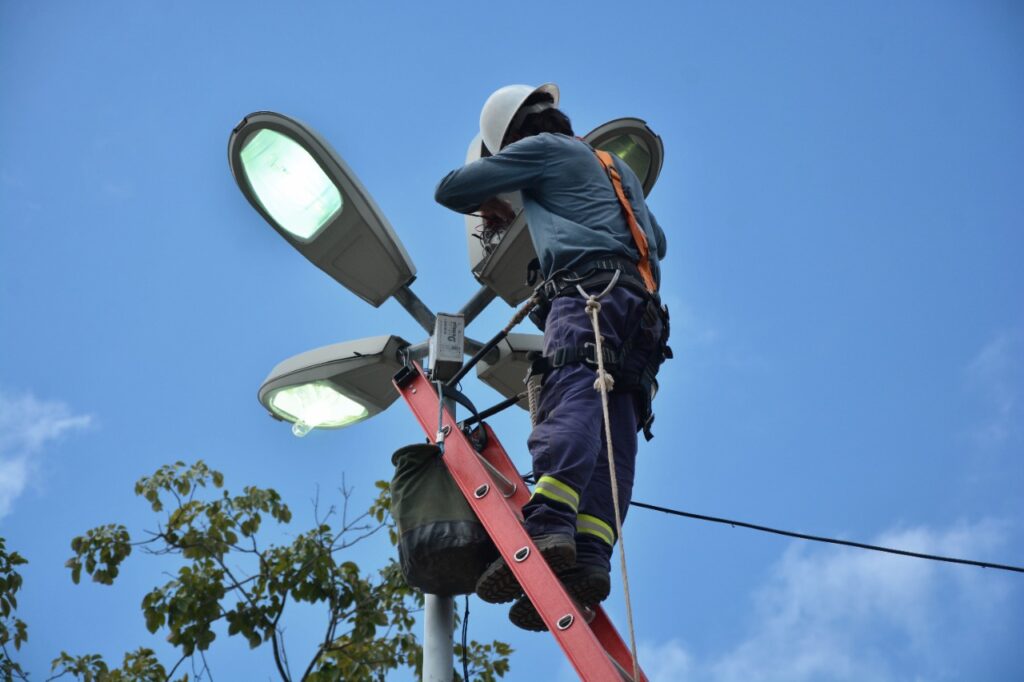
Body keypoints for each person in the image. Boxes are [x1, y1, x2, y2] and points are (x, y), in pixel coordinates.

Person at [434, 83, 669, 631]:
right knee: (615, 430)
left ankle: (549, 521)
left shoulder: (540, 152)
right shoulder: (616, 169)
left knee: (572, 397)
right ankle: (590, 552)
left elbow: (450, 190)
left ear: (517, 139)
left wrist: (501, 192)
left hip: (587, 295)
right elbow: (657, 239)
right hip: (642, 315)